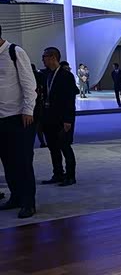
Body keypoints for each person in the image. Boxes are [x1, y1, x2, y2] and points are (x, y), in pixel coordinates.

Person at [0, 26, 38, 218]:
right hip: (1, 120)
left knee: (22, 162)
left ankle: (28, 203)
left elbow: (29, 85)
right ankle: (15, 197)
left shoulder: (14, 52)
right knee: (7, 162)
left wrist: (28, 110)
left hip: (19, 118)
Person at [40, 47, 79, 187]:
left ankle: (70, 176)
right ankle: (58, 173)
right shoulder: (46, 75)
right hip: (48, 117)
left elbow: (70, 100)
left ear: (53, 57)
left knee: (65, 147)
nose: (43, 60)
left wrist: (68, 119)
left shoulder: (66, 76)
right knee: (53, 148)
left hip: (62, 119)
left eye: (44, 57)